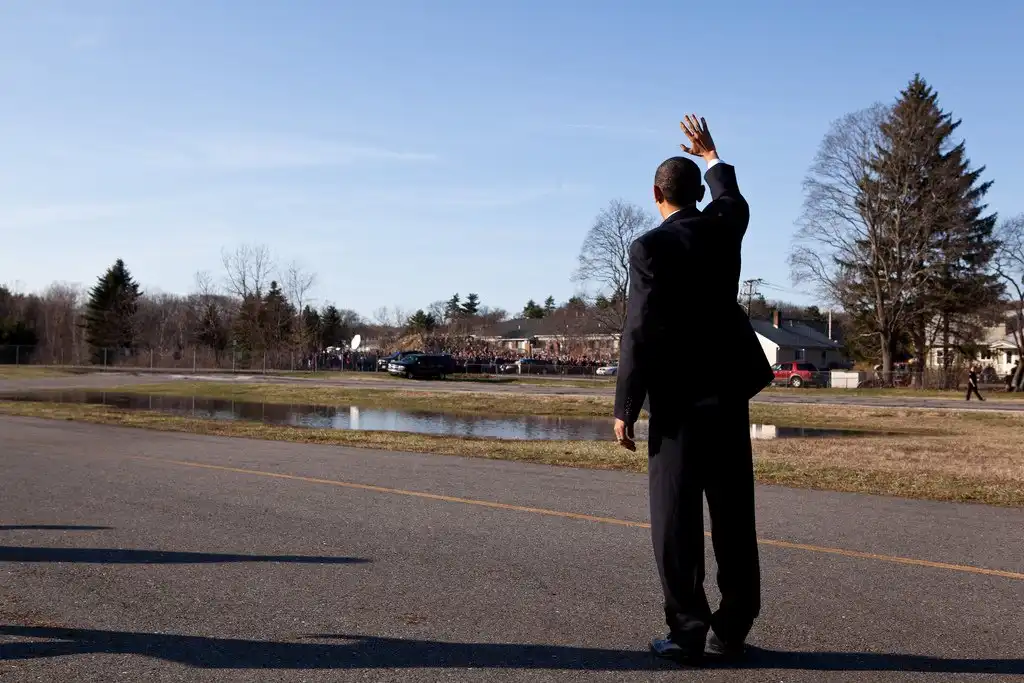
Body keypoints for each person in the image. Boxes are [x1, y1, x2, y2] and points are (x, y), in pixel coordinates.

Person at [613, 115, 773, 666]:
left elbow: (638, 329)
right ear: (699, 194)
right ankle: (733, 628)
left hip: (678, 404)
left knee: (675, 519)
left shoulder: (649, 247)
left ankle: (687, 632)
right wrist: (711, 155)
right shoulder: (724, 227)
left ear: (655, 193)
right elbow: (732, 199)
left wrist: (626, 406)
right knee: (734, 518)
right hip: (727, 396)